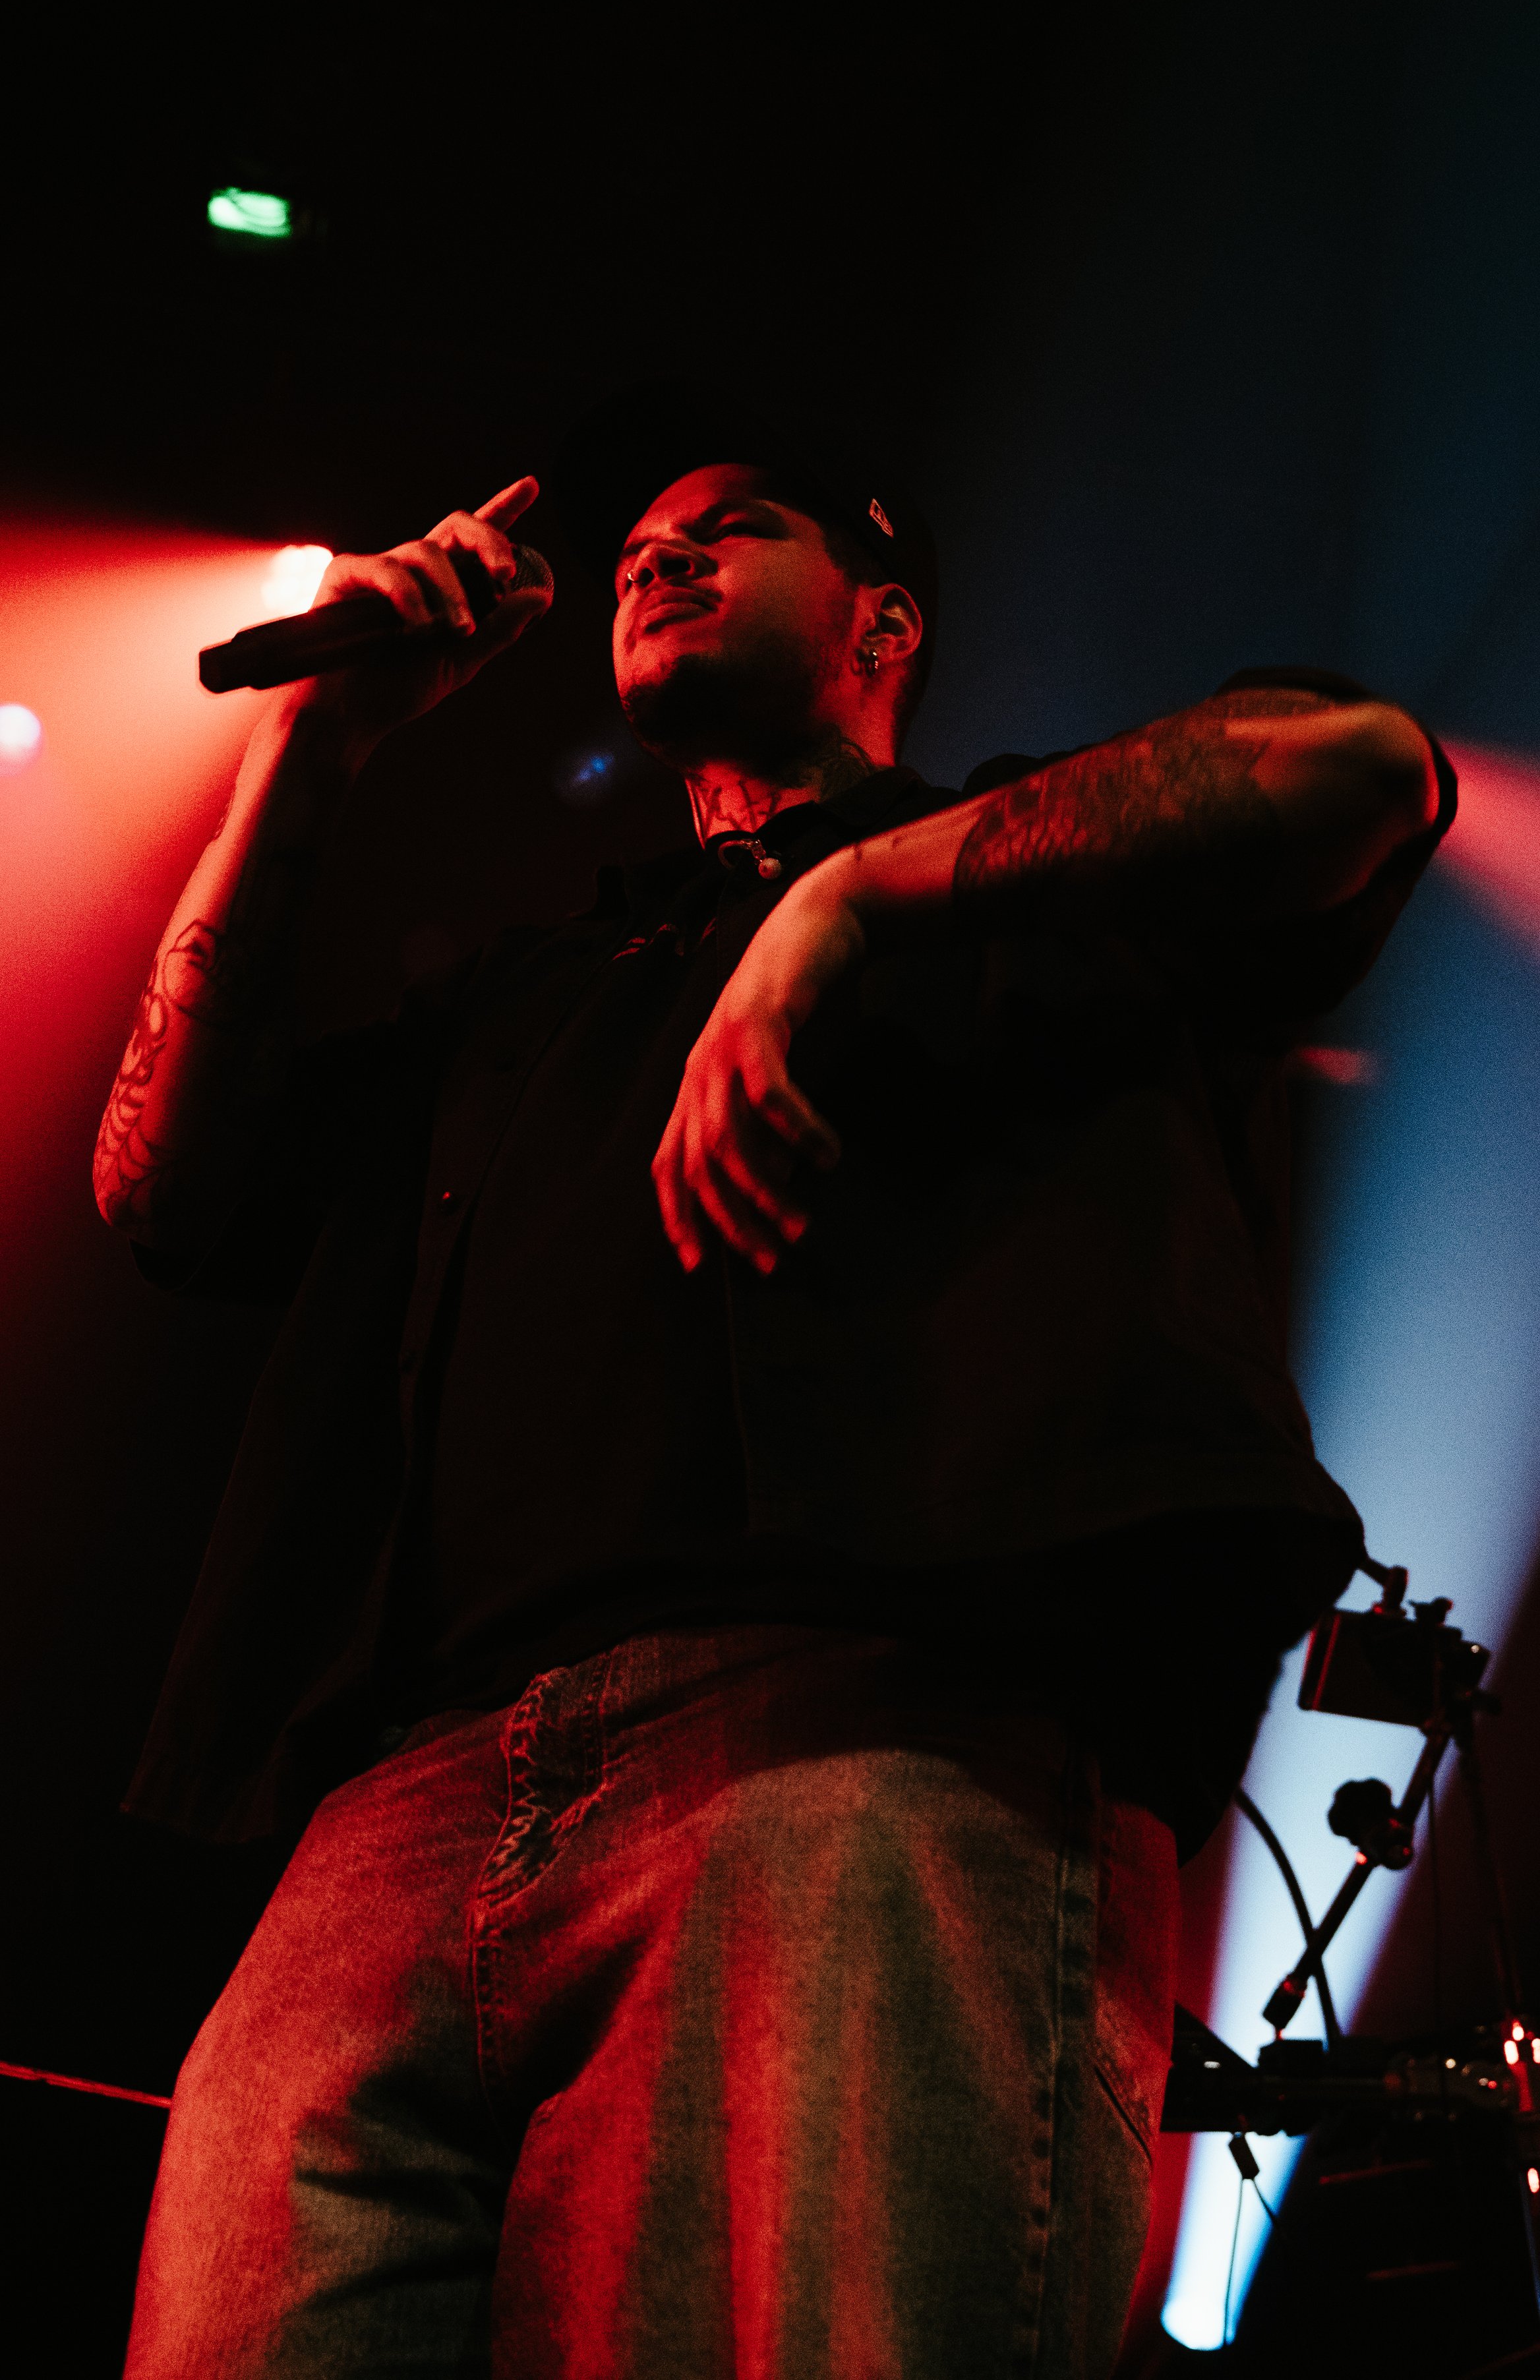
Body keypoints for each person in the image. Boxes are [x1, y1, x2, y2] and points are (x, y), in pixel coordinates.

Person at [100, 388, 1452, 2379]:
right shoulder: (534, 988)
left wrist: (855, 894)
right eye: (641, 539)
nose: (659, 552)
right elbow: (167, 1188)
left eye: (732, 525)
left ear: (881, 622)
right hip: (398, 1807)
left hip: (867, 1740)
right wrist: (311, 750)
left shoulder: (1033, 876)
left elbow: (1362, 769)